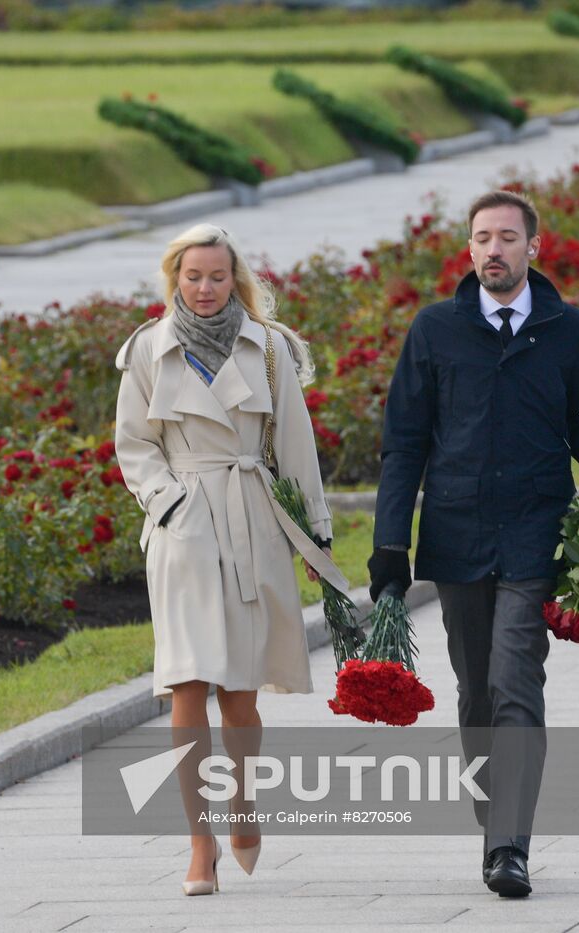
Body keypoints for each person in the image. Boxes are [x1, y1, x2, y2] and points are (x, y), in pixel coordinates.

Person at [368, 189, 579, 898]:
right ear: (468, 250)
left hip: (535, 534)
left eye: (507, 237)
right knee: (476, 691)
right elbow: (403, 445)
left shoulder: (565, 329)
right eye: (482, 237)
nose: (493, 249)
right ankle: (495, 823)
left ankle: (509, 842)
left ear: (532, 248)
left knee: (517, 679)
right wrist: (390, 546)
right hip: (455, 536)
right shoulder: (435, 331)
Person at [114, 223, 337, 896]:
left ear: (233, 279)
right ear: (174, 279)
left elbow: (296, 449)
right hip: (184, 531)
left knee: (239, 693)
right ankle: (199, 844)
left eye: (216, 276)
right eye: (192, 277)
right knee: (186, 684)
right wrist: (170, 504)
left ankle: (243, 808)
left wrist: (316, 535)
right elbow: (134, 445)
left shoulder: (269, 348)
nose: (204, 288)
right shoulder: (149, 350)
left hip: (252, 521)